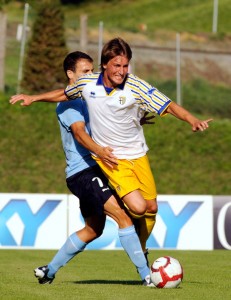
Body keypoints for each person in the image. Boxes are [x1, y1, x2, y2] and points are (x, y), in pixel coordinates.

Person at [10, 37, 212, 263]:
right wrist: (33, 98)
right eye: (117, 65)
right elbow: (63, 94)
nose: (122, 71)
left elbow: (168, 104)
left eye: (126, 66)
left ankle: (141, 248)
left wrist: (191, 119)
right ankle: (134, 244)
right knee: (137, 207)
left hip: (139, 154)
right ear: (105, 64)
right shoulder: (87, 84)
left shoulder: (136, 86)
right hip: (113, 159)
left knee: (152, 207)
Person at [14, 51, 154, 287]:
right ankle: (147, 276)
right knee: (124, 217)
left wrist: (134, 121)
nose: (90, 75)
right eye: (84, 72)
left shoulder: (91, 96)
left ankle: (49, 270)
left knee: (93, 230)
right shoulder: (70, 103)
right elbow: (80, 133)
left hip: (96, 169)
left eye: (92, 71)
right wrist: (100, 151)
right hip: (84, 172)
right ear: (71, 74)